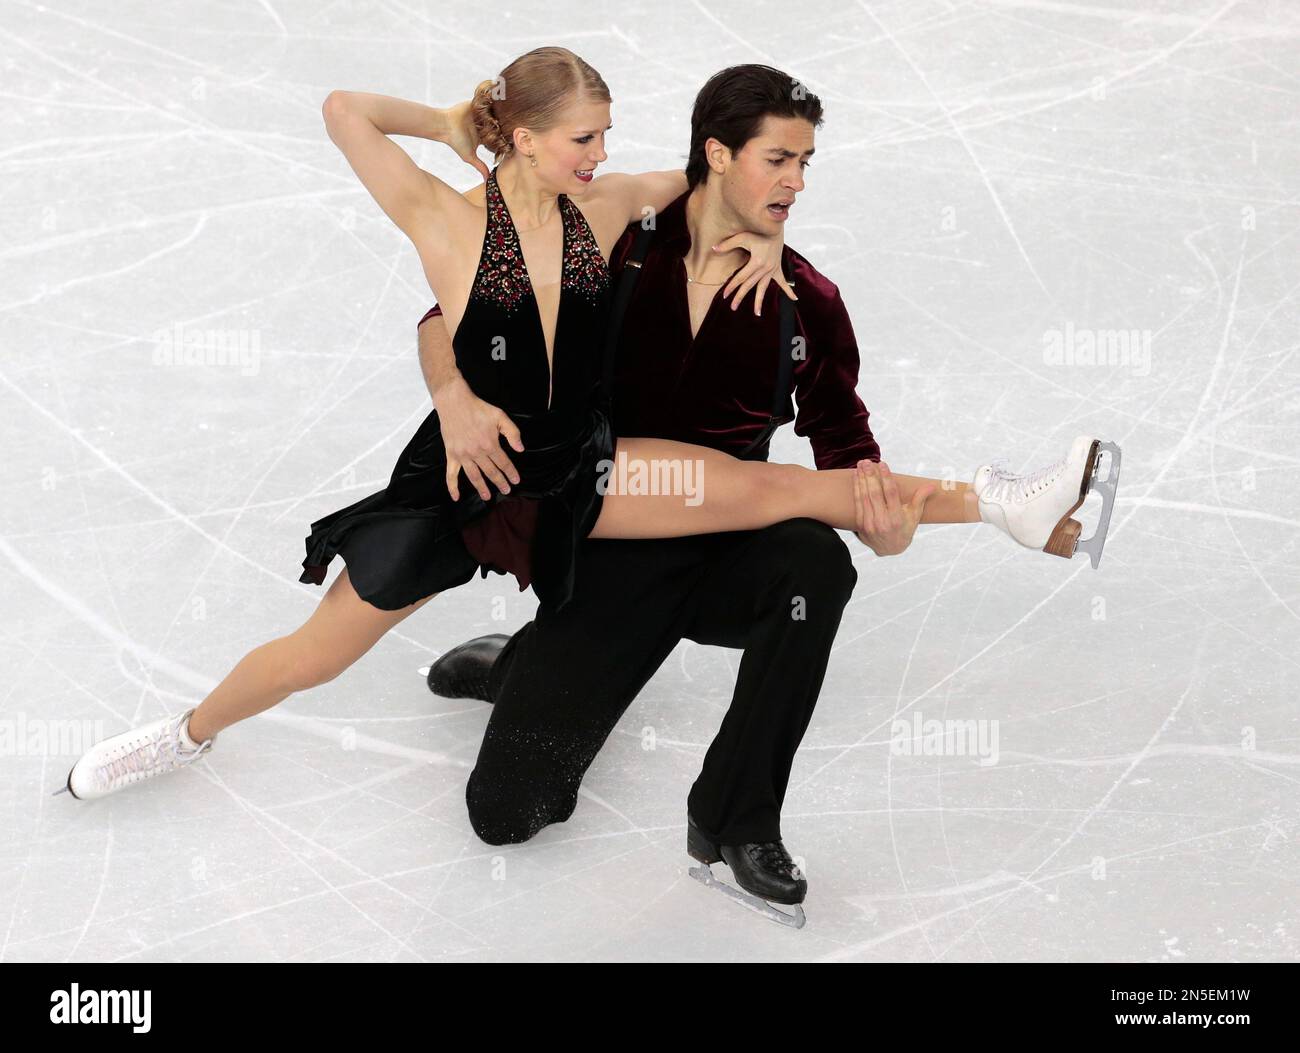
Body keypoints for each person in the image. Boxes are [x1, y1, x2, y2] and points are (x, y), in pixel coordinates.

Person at [56, 45, 1118, 912]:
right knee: (317, 656)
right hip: (470, 480)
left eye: (605, 136)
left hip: (589, 472)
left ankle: (1004, 504)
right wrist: (452, 124)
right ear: (522, 137)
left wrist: (752, 237)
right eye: (582, 137)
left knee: (783, 495)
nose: (602, 153)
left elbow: (713, 185)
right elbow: (341, 109)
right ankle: (184, 736)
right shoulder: (441, 219)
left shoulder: (604, 211)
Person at [417, 64, 1121, 923]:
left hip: (729, 545)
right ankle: (521, 664)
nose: (796, 181)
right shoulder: (618, 238)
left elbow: (849, 457)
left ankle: (737, 819)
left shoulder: (807, 299)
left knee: (814, 565)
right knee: (507, 815)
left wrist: (888, 527)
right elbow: (454, 315)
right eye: (779, 159)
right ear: (717, 153)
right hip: (605, 543)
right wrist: (455, 396)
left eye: (806, 162)